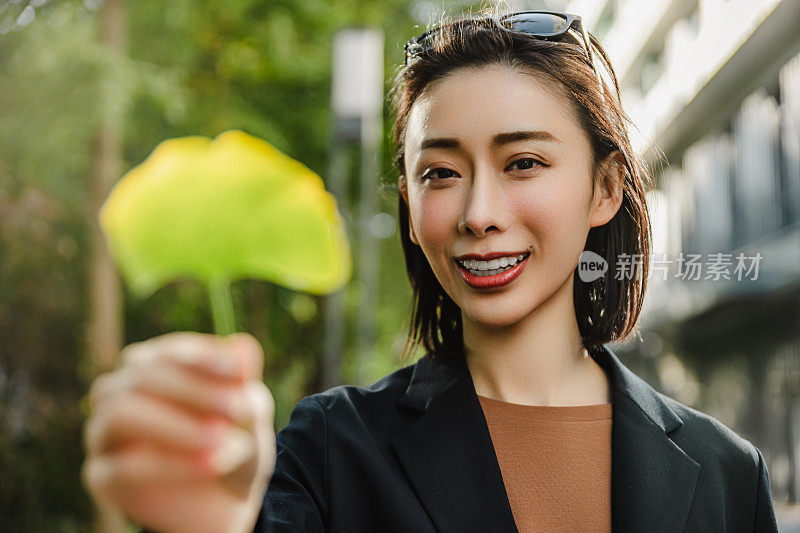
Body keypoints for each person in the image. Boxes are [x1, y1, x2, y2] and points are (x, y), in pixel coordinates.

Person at [82, 8, 780, 533]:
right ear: (412, 206)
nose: (479, 212)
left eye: (524, 163)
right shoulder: (329, 450)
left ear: (603, 189)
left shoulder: (727, 472)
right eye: (440, 172)